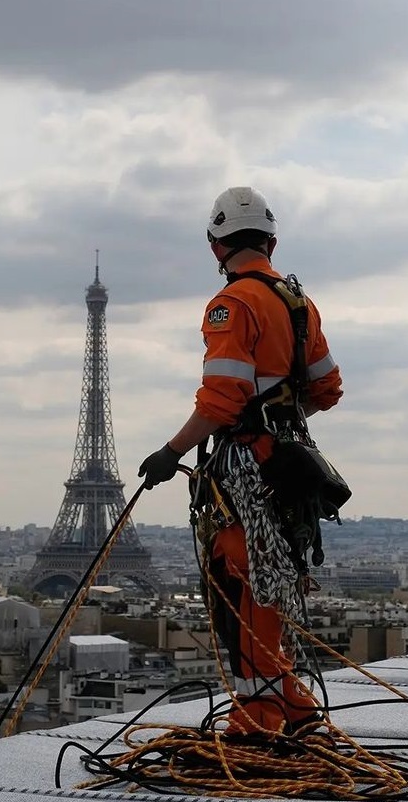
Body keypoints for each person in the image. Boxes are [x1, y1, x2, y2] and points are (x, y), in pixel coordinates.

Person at [138, 186, 343, 737]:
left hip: (246, 465)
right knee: (269, 574)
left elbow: (221, 399)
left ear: (215, 246)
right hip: (287, 460)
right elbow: (328, 388)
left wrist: (170, 453)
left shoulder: (232, 305)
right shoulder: (299, 304)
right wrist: (280, 412)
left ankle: (258, 714)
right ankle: (287, 702)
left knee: (237, 575)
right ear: (272, 242)